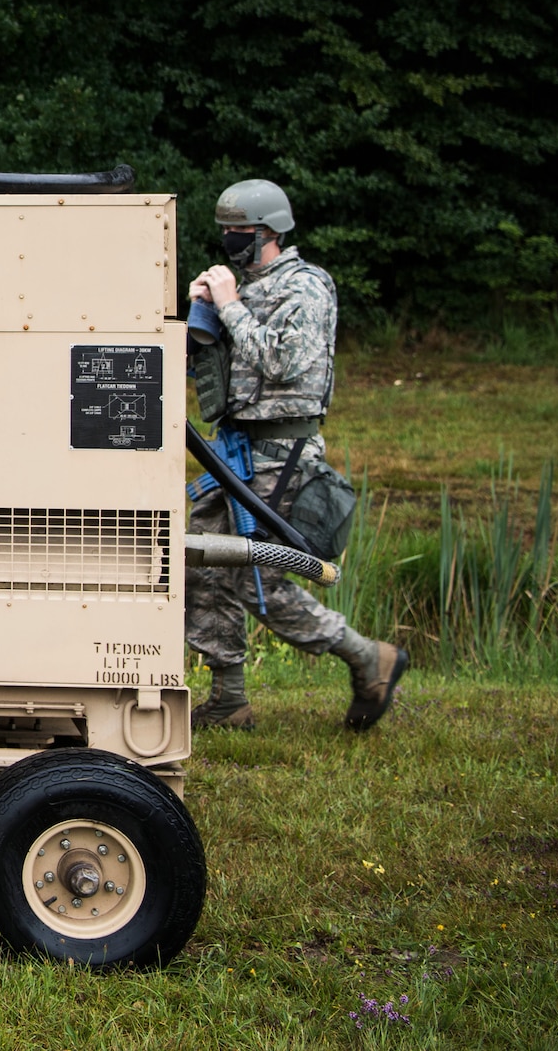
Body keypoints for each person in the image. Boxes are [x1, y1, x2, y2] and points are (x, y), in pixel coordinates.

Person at [184, 178, 407, 731]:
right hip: (235, 448)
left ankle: (364, 656)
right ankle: (229, 698)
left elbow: (281, 363)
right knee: (202, 566)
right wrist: (200, 316)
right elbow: (215, 371)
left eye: (241, 231)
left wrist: (230, 304)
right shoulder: (247, 287)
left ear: (270, 233)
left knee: (254, 575)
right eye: (226, 232)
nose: (231, 240)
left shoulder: (305, 287)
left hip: (281, 450)